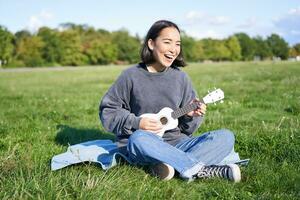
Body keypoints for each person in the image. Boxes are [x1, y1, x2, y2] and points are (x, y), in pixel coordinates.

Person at [99, 20, 243, 182]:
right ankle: (201, 169)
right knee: (138, 138)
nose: (173, 49)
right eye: (167, 42)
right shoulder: (130, 76)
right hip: (144, 145)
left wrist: (190, 116)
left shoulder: (181, 78)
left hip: (176, 143)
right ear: (151, 44)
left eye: (177, 44)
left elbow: (187, 130)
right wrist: (137, 122)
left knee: (226, 137)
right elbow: (108, 111)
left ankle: (170, 166)